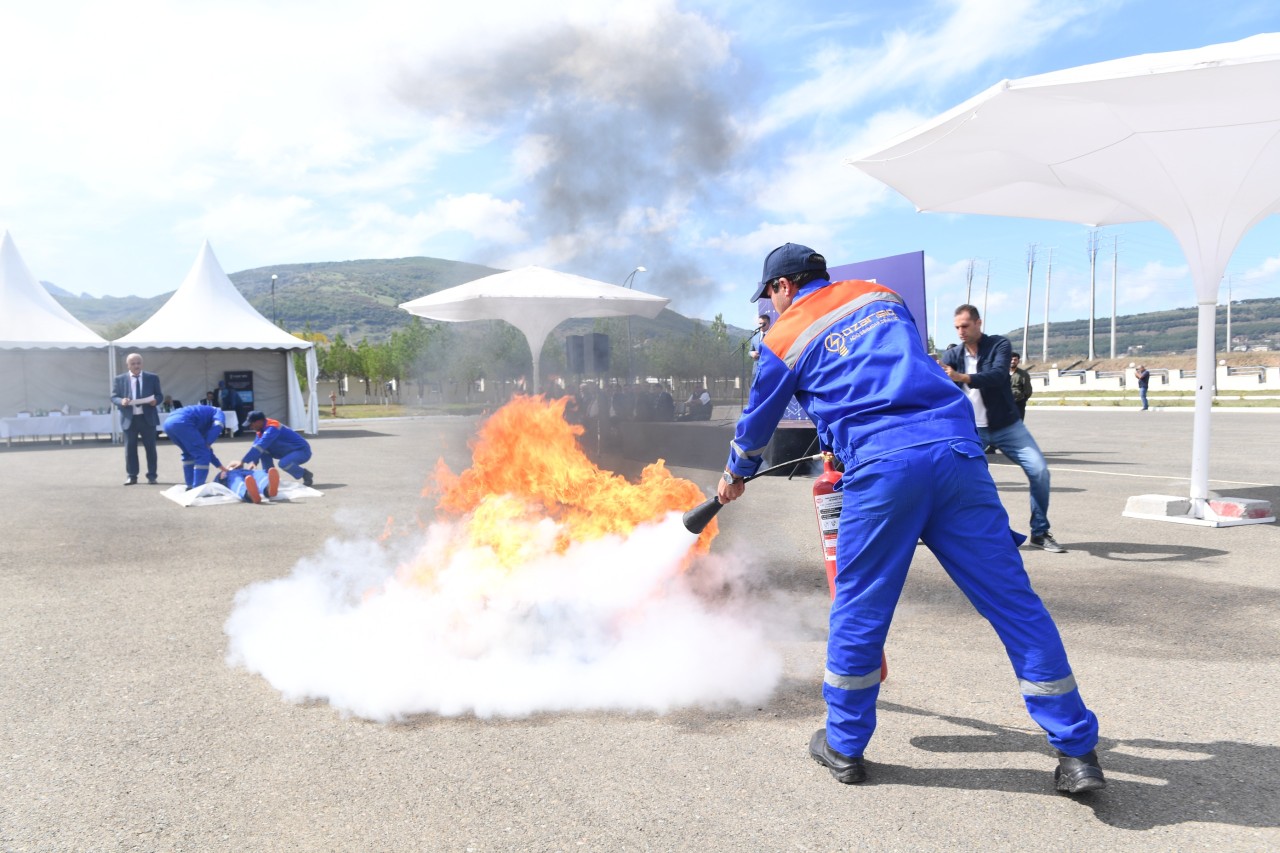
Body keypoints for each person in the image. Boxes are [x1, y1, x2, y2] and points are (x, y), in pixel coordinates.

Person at [718, 243, 1103, 792]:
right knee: (1016, 606)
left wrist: (735, 473)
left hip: (883, 470)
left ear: (782, 287)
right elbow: (892, 367)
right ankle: (1079, 753)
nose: (772, 307)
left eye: (771, 297)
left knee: (860, 607)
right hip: (957, 455)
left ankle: (844, 745)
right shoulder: (882, 296)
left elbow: (757, 424)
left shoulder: (783, 336)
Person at [941, 306, 1065, 554]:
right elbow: (940, 385)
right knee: (950, 481)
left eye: (965, 326)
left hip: (1007, 426)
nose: (960, 331)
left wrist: (961, 377)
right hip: (970, 431)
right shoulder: (953, 355)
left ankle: (1039, 532)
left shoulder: (999, 345)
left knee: (1039, 472)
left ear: (978, 323)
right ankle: (940, 531)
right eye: (957, 327)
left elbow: (998, 376)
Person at [110, 352, 162, 485]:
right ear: (128, 365)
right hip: (130, 419)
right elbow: (113, 396)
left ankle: (152, 476)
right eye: (133, 363)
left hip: (147, 418)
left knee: (150, 448)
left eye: (138, 363)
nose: (136, 365)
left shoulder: (152, 378)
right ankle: (132, 476)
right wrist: (121, 401)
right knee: (130, 449)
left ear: (142, 364)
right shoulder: (119, 379)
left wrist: (155, 401)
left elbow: (159, 395)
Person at [231, 411, 314, 487]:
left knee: (284, 463)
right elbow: (256, 446)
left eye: (251, 424)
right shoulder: (260, 430)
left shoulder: (272, 427)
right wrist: (254, 462)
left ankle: (305, 474)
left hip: (301, 451)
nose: (250, 427)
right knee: (263, 451)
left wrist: (243, 461)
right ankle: (269, 478)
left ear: (259, 421)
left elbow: (261, 445)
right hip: (286, 451)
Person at [163, 404, 228, 489]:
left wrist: (221, 467)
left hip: (168, 423)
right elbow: (218, 426)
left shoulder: (202, 418)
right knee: (202, 455)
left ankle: (189, 486)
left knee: (189, 454)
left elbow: (206, 449)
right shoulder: (219, 413)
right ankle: (198, 488)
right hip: (183, 422)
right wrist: (209, 442)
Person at [214, 465, 279, 504]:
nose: (235, 466)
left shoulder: (245, 469)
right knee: (236, 481)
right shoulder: (226, 472)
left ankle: (268, 487)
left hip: (247, 471)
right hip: (231, 474)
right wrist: (221, 476)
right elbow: (216, 482)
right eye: (233, 465)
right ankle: (249, 494)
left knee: (258, 474)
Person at [1009, 352, 1034, 420]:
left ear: (1018, 361)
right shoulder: (1001, 373)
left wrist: (1022, 401)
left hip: (1018, 404)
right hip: (1004, 405)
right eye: (1011, 359)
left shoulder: (1023, 374)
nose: (1013, 361)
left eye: (1015, 360)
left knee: (1018, 425)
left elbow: (1028, 391)